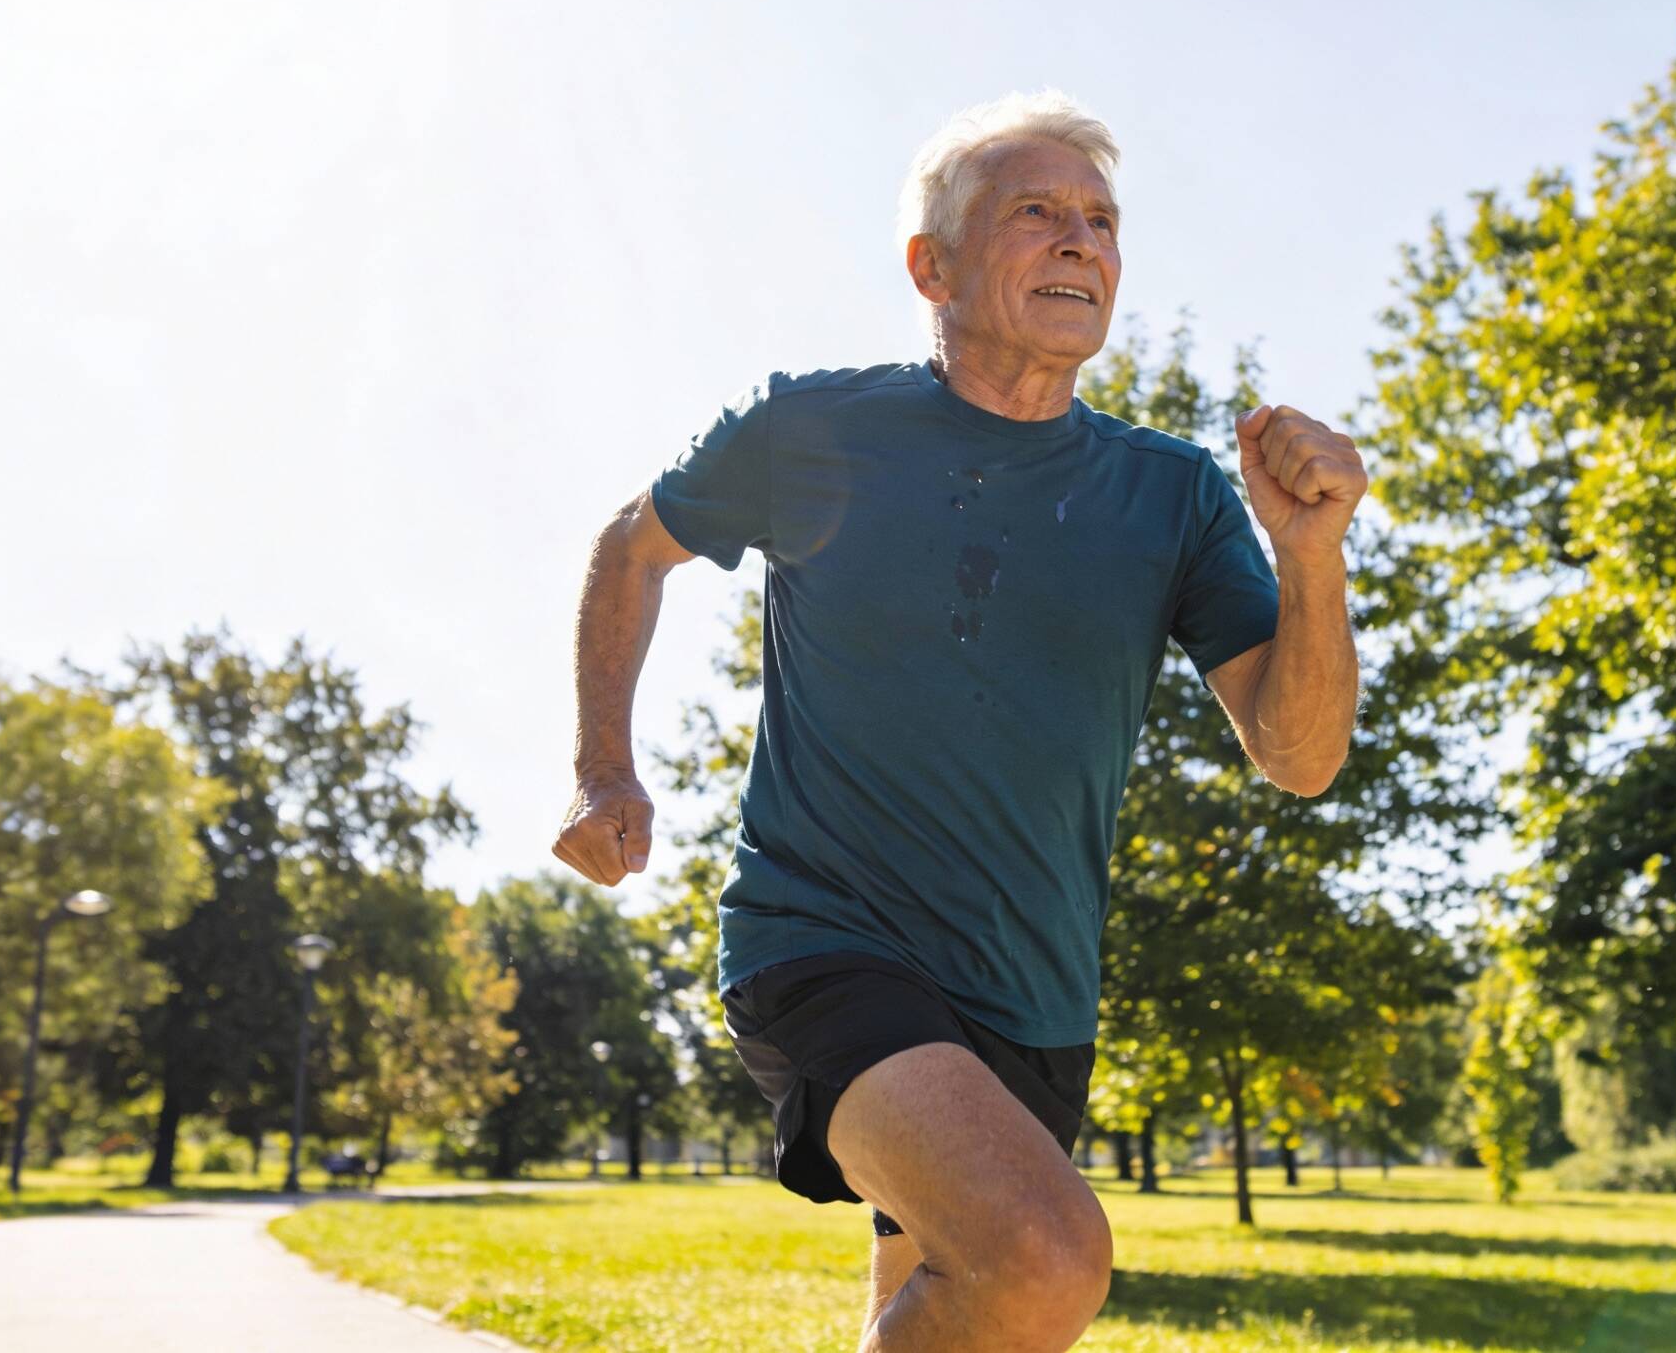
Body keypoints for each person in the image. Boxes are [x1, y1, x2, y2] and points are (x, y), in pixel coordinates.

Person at [554, 90, 1364, 1352]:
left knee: (939, 1304)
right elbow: (632, 542)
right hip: (823, 940)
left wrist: (1309, 555)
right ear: (930, 263)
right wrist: (604, 766)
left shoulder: (1174, 495)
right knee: (1043, 1255)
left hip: (1036, 989)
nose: (1079, 241)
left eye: (1100, 221)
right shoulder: (818, 427)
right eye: (1034, 212)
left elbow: (1299, 754)